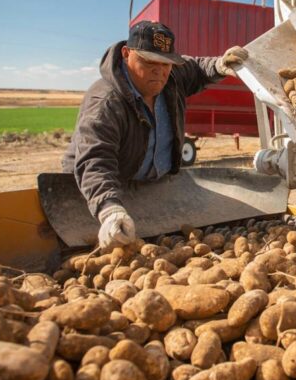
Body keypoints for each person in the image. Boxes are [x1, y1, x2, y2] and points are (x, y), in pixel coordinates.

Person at [62, 20, 247, 246]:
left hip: (148, 190)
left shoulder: (171, 77)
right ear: (126, 54)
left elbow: (196, 68)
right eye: (149, 61)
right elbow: (95, 160)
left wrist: (218, 66)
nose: (159, 71)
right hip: (96, 195)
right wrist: (109, 209)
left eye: (166, 63)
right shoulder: (106, 103)